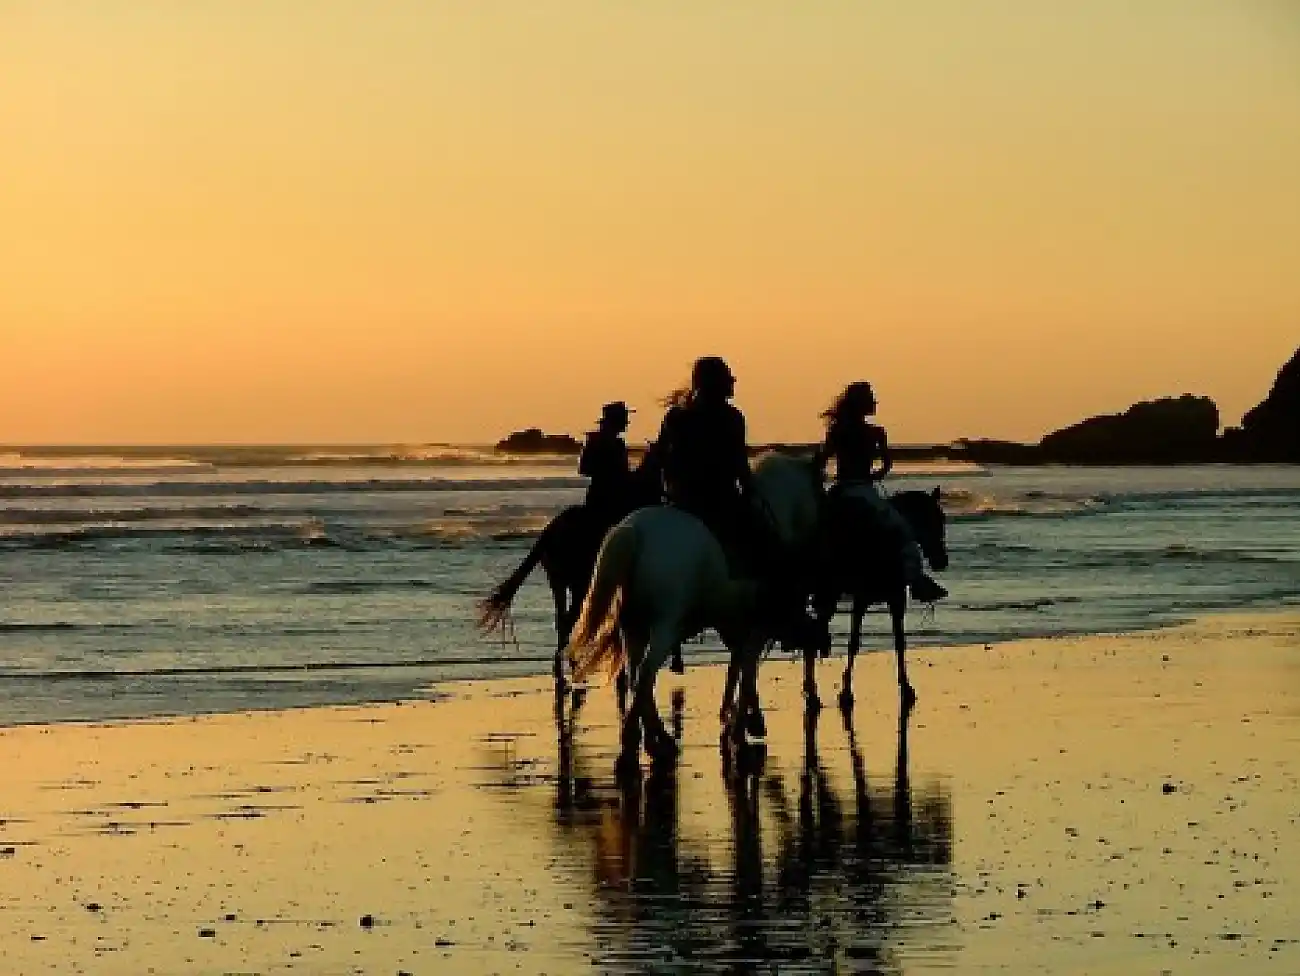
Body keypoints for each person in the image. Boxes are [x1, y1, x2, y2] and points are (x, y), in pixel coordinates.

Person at [813, 381, 947, 602]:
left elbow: (822, 459)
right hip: (864, 490)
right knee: (903, 530)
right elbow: (886, 464)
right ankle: (917, 581)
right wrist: (876, 474)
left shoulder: (839, 430)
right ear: (861, 404)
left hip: (842, 489)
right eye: (870, 399)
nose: (874, 404)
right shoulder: (874, 433)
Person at [652, 356, 754, 557]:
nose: (732, 383)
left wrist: (668, 489)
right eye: (728, 379)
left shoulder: (676, 415)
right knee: (759, 536)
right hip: (719, 499)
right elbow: (739, 463)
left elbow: (660, 457)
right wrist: (750, 491)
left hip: (680, 498)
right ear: (717, 383)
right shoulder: (731, 417)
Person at [578, 401, 635, 529]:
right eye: (624, 418)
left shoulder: (617, 443)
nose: (627, 422)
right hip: (604, 497)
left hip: (607, 494)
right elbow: (584, 468)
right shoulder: (597, 442)